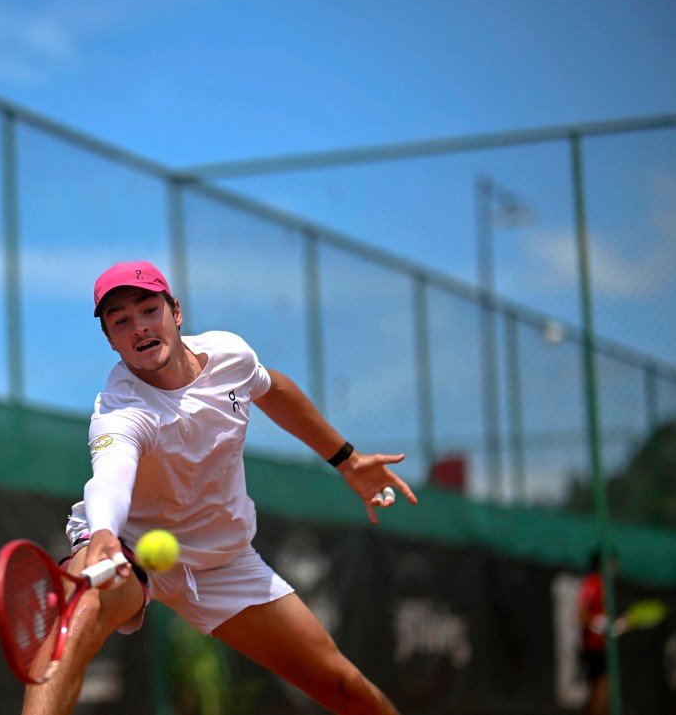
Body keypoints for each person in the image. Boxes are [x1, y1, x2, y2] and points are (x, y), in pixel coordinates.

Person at [22, 260, 417, 715]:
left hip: (220, 560)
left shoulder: (231, 357)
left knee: (343, 686)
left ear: (176, 312)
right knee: (78, 620)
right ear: (111, 340)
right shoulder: (121, 412)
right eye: (121, 321)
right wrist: (105, 533)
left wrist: (347, 460)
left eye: (149, 310)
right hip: (127, 550)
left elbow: (273, 389)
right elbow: (108, 477)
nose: (139, 328)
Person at [577, 549, 618, 715]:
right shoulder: (594, 582)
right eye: (612, 562)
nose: (616, 566)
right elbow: (581, 613)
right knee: (601, 687)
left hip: (602, 645)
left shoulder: (604, 584)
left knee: (601, 689)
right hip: (594, 646)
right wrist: (598, 623)